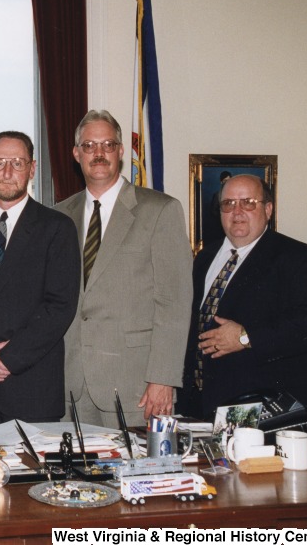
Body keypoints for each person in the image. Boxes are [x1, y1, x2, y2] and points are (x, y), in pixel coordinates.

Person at [56, 110, 193, 428]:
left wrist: (163, 377)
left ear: (120, 151)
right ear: (77, 154)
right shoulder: (59, 216)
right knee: (72, 479)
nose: (99, 153)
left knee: (135, 477)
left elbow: (174, 303)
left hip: (136, 387)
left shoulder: (160, 210)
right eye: (89, 145)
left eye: (108, 144)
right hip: (69, 386)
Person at [180, 174, 307, 419]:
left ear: (268, 209)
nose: (237, 211)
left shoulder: (301, 258)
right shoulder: (205, 258)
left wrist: (245, 337)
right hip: (200, 408)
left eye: (248, 202)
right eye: (228, 204)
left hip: (268, 414)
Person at [0, 131, 80, 430]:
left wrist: (6, 359)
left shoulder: (57, 228)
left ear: (33, 168)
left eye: (17, 163)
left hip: (32, 390)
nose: (8, 172)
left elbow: (59, 307)